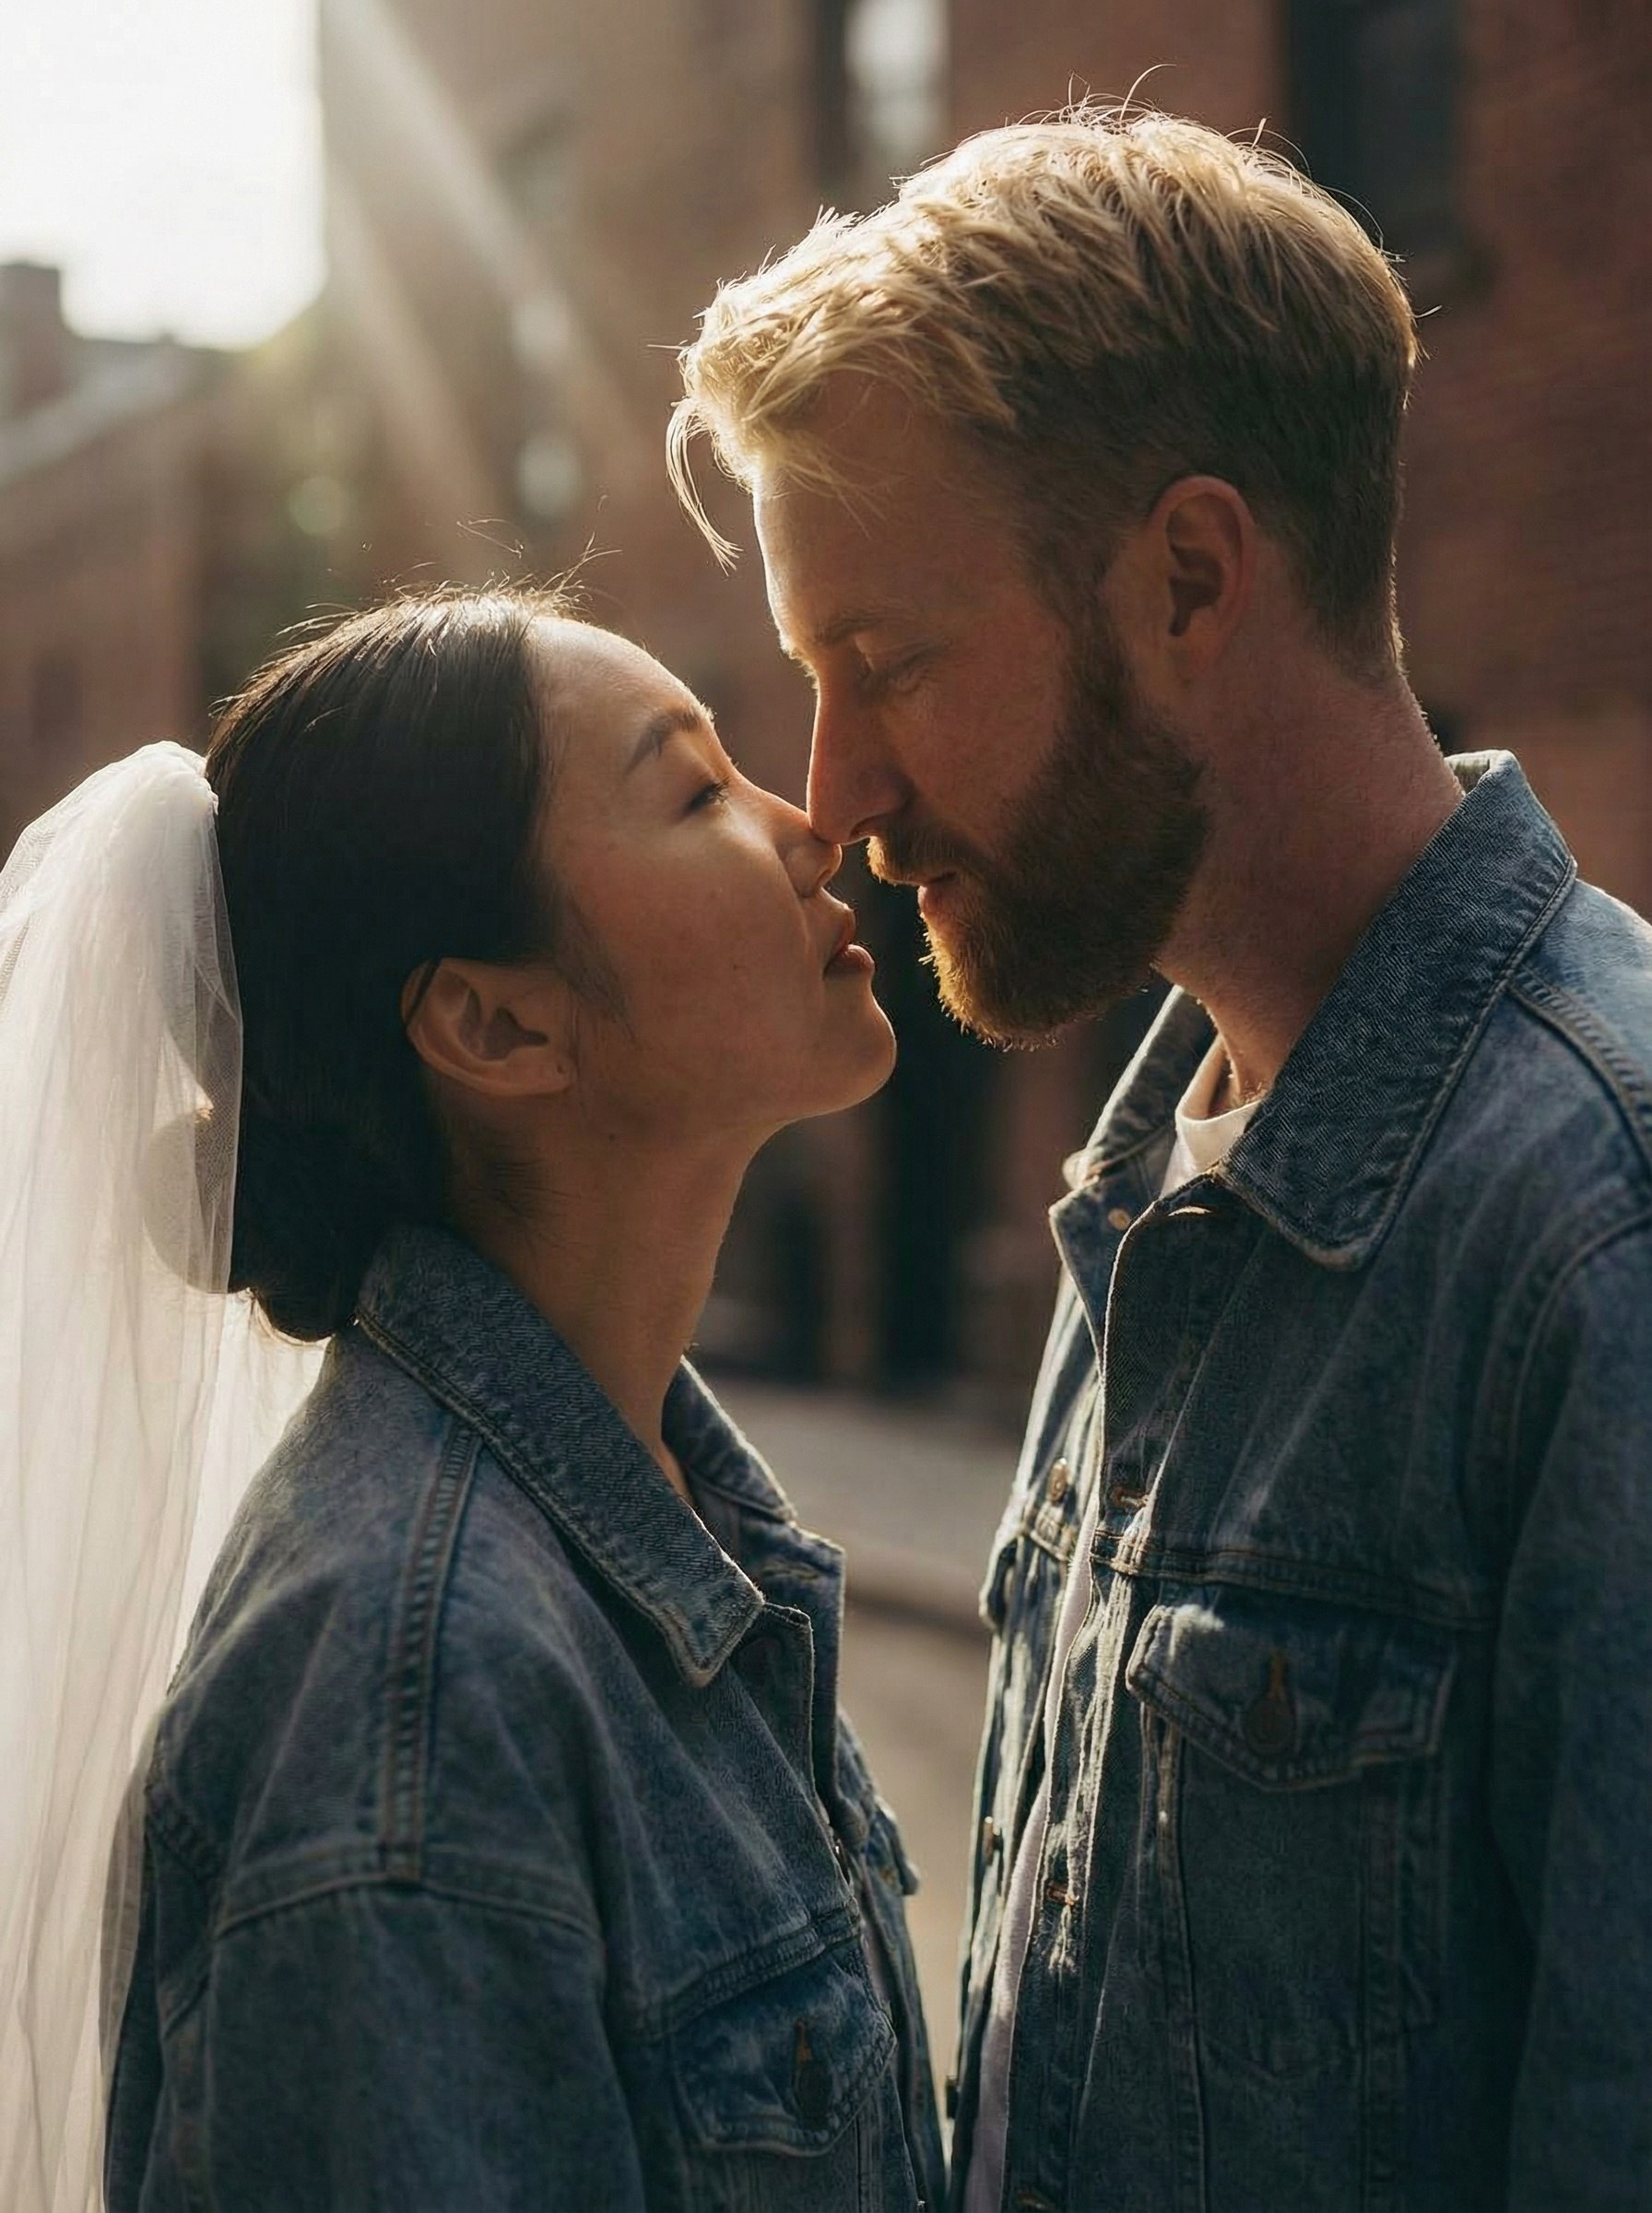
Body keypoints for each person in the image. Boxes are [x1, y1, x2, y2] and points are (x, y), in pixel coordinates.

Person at [671, 107, 1652, 2211]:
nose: (830, 797)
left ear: (1190, 578)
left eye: (888, 665)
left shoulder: (1595, 1236)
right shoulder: (1145, 1193)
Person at [0, 588, 947, 2213]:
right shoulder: (411, 1690)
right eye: (698, 790)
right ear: (496, 1022)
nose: (813, 829)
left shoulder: (665, 1532)